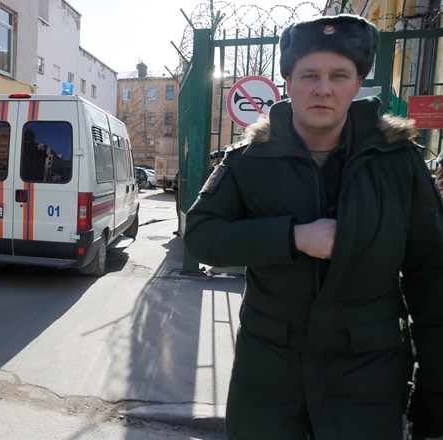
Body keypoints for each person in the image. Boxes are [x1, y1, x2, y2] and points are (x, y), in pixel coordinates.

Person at [184, 14, 443, 440]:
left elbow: (431, 274)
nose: (323, 88)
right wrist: (292, 237)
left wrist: (435, 380)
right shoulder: (250, 160)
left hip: (366, 376)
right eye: (309, 75)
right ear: (289, 82)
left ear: (357, 83)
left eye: (338, 75)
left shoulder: (398, 163)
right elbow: (201, 236)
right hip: (269, 374)